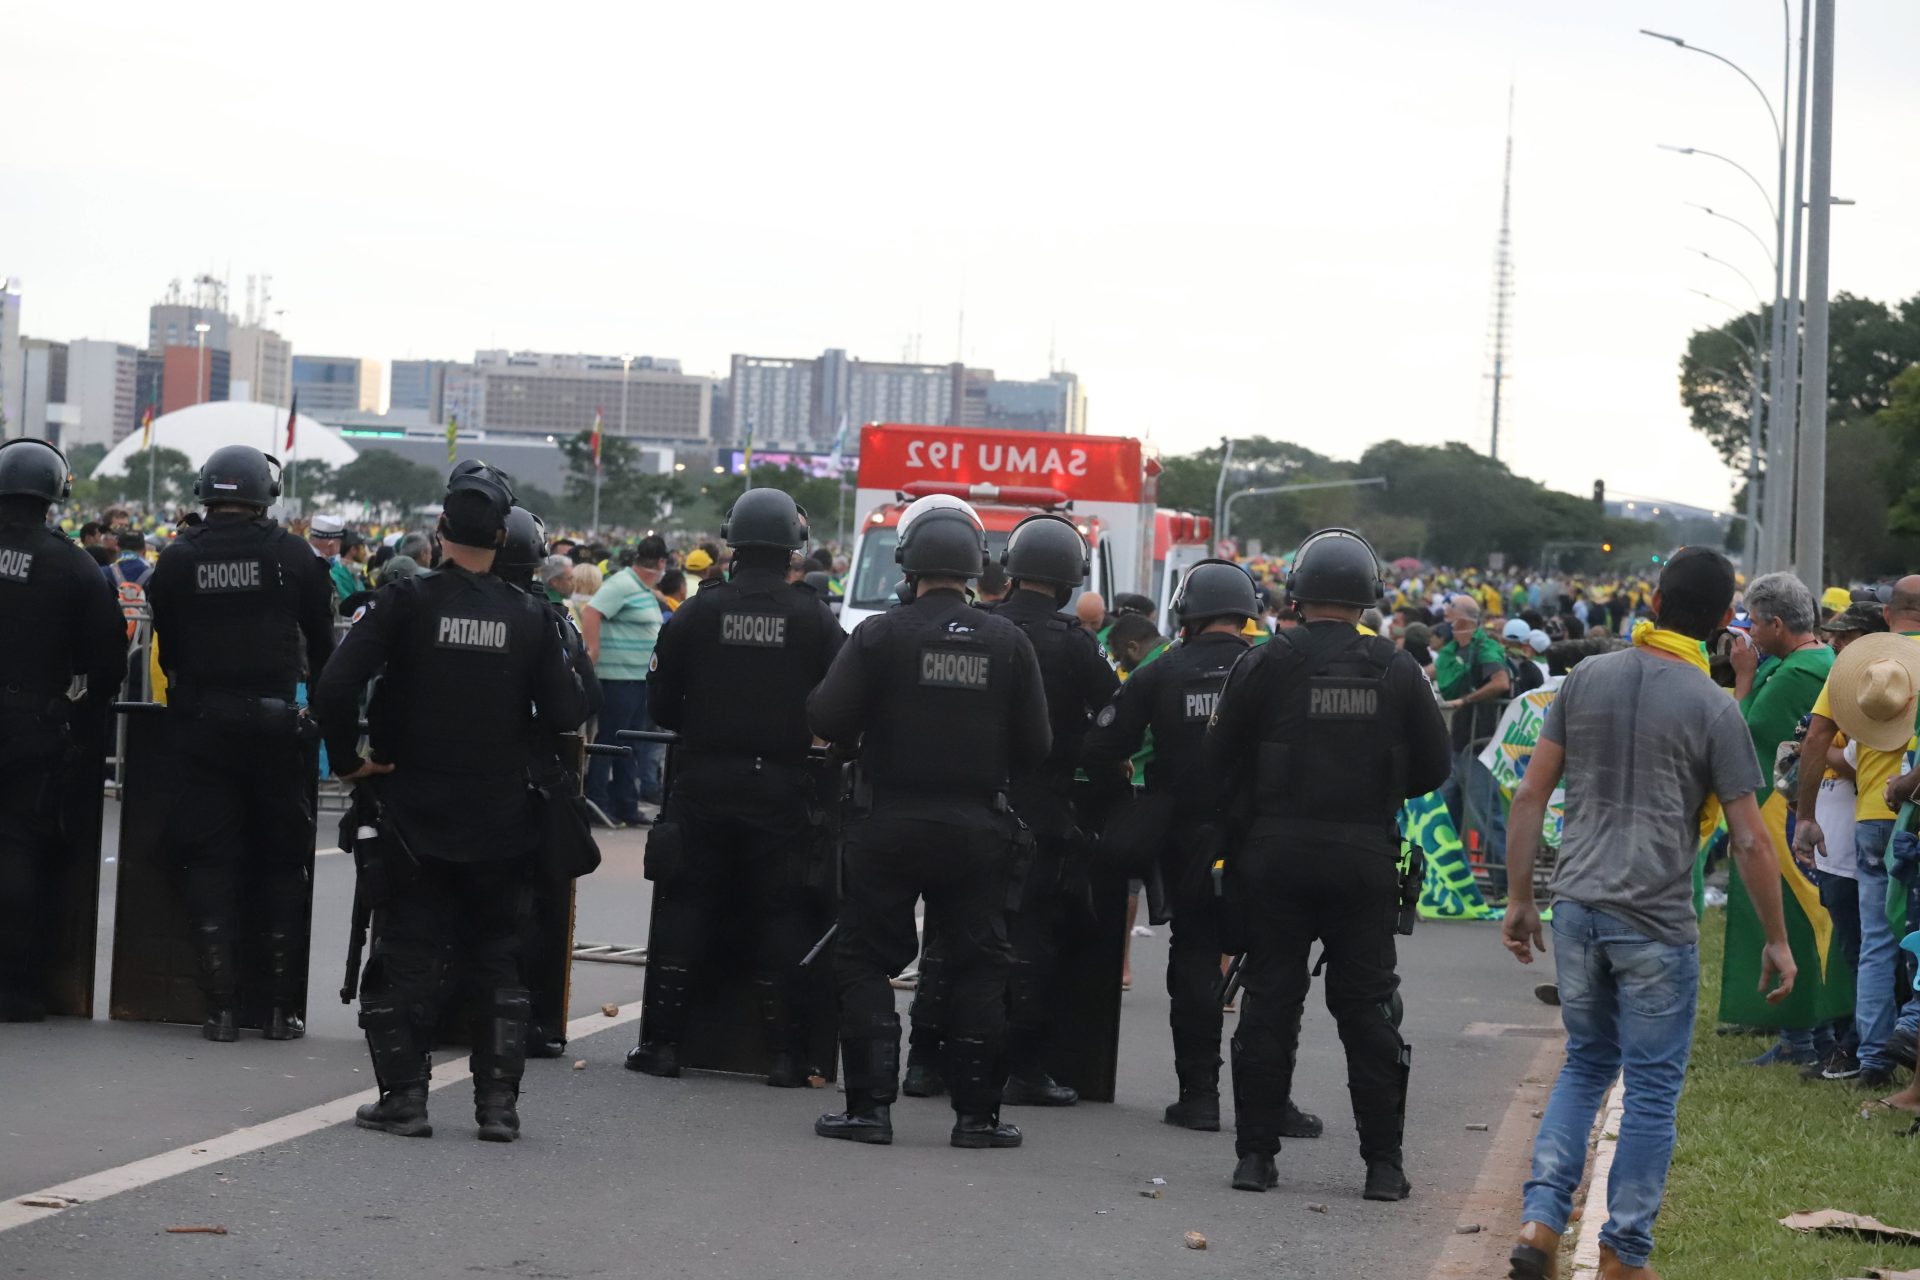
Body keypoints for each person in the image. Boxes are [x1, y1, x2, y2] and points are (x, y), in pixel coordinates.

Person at [1504, 547, 1795, 1280]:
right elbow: (1752, 839)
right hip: (1657, 922)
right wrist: (1778, 939)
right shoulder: (1714, 706)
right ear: (1725, 623)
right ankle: (1623, 1254)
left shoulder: (1587, 678)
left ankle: (1540, 1223)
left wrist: (1518, 898)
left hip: (1577, 906)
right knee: (1652, 1088)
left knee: (1584, 1065)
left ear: (1655, 604)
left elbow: (1531, 794)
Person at [318, 462, 585, 1143]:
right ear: (502, 535)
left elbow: (335, 686)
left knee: (405, 956)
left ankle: (404, 1100)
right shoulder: (530, 616)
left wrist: (351, 762)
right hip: (501, 817)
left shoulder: (407, 600)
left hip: (411, 812)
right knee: (498, 960)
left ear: (440, 529)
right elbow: (565, 711)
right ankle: (498, 1107)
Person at [1205, 529, 1450, 1201]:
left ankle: (1255, 1159)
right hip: (1364, 858)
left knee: (1268, 1004)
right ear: (1369, 596)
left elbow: (1217, 759)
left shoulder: (1263, 661)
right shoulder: (1397, 669)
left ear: (1296, 592)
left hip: (1275, 857)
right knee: (1368, 1011)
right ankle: (1383, 1168)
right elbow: (1436, 766)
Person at [807, 496, 1051, 1149]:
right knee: (979, 964)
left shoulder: (880, 634)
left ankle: (870, 1110)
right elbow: (1037, 746)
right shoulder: (1009, 641)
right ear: (977, 569)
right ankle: (977, 1118)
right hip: (977, 827)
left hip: (886, 821)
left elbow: (827, 718)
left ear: (907, 566)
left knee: (862, 958)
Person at [1083, 560, 1321, 1141]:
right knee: (1274, 966)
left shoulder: (1162, 671)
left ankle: (1199, 1098)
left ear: (1185, 615)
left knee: (1194, 959)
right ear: (1246, 613)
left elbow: (1102, 746)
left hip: (1189, 840)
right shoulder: (1274, 666)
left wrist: (1132, 795)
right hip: (1267, 836)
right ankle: (1272, 1102)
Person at [626, 489, 843, 1086]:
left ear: (732, 543)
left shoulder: (697, 612)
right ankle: (783, 1055)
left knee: (688, 904)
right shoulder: (814, 618)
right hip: (782, 783)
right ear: (793, 549)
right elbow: (841, 707)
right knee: (780, 912)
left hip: (703, 779)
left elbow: (662, 702)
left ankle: (665, 1045)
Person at [903, 513, 1118, 1106]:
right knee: (1027, 943)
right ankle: (1022, 1067)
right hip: (1042, 810)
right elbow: (1115, 718)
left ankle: (925, 1063)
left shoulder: (983, 628)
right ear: (1073, 577)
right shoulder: (1077, 644)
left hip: (973, 800)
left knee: (949, 935)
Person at [147, 446, 337, 1042]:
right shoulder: (291, 555)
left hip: (205, 725)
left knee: (210, 860)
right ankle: (279, 1011)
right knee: (281, 860)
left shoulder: (179, 559)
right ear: (266, 494)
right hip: (279, 727)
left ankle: (220, 1009)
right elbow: (323, 641)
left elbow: (170, 648)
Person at [0, 440, 126, 1021]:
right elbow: (108, 664)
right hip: (29, 727)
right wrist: (77, 717)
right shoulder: (72, 564)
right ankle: (13, 988)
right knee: (18, 850)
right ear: (55, 495)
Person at [1791, 586, 1920, 1094]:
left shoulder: (1864, 668)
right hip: (1915, 814)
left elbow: (1816, 740)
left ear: (1886, 614)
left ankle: (1871, 1059)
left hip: (1869, 817)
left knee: (1875, 942)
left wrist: (1806, 815)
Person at [1725, 573, 1836, 1070]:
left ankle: (1800, 1038)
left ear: (1775, 623)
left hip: (1777, 811)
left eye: (1753, 620)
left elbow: (1741, 731)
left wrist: (1744, 678)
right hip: (1794, 807)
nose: (1747, 631)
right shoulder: (1814, 661)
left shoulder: (1795, 673)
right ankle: (1816, 1031)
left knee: (1791, 918)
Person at [582, 536, 667, 827]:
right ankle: (598, 802)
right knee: (611, 741)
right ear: (660, 563)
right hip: (618, 679)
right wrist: (594, 650)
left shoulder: (642, 589)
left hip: (636, 679)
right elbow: (591, 611)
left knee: (631, 744)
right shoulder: (621, 584)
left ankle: (626, 804)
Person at [1436, 594, 1511, 872]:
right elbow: (1430, 670)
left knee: (1485, 818)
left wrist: (1466, 701)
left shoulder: (1485, 648)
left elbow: (1501, 682)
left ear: (1464, 619)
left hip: (1480, 747)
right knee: (1444, 816)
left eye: (1450, 612)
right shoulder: (1454, 648)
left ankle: (1506, 884)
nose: (1446, 616)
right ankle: (1445, 879)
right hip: (1457, 747)